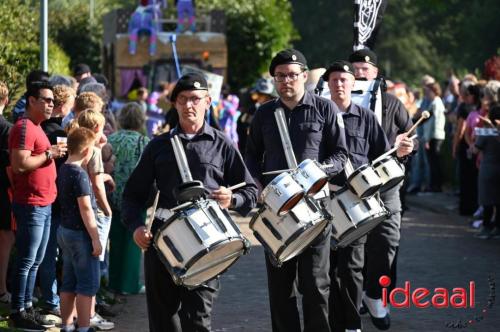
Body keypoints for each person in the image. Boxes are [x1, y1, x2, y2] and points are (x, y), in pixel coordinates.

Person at [122, 73, 258, 332]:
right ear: (174, 104)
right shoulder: (158, 146)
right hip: (162, 240)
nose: (189, 105)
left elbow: (250, 191)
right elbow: (132, 196)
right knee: (164, 321)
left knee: (198, 319)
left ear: (208, 102)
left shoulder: (222, 144)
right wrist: (136, 227)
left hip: (208, 240)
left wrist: (233, 198)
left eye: (195, 99)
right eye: (182, 99)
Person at [245, 49, 348, 332]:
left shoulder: (325, 109)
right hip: (277, 211)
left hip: (315, 207)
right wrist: (257, 189)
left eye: (292, 75)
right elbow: (251, 156)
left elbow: (341, 155)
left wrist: (318, 172)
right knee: (280, 289)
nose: (286, 80)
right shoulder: (264, 113)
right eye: (280, 76)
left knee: (316, 285)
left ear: (304, 76)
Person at [348, 49, 414, 330]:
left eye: (365, 68)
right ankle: (354, 301)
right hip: (350, 188)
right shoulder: (336, 103)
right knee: (352, 248)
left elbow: (410, 138)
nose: (360, 72)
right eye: (355, 68)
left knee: (387, 242)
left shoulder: (392, 103)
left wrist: (406, 147)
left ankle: (375, 294)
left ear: (375, 72)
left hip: (386, 186)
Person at [323, 61, 390, 332]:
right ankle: (333, 323)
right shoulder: (318, 117)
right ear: (327, 84)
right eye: (335, 79)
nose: (339, 84)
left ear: (353, 84)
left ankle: (352, 325)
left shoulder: (366, 118)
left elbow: (381, 157)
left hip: (355, 204)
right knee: (325, 270)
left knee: (351, 269)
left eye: (344, 79)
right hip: (324, 202)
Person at [8, 80, 67, 331]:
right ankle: (18, 312)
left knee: (35, 260)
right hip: (31, 204)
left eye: (53, 101)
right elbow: (20, 164)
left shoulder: (37, 127)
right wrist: (49, 154)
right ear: (31, 101)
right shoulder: (23, 127)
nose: (51, 104)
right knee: (26, 260)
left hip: (43, 203)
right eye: (46, 99)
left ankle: (28, 308)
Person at [57, 127, 100, 332]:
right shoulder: (79, 174)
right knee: (87, 284)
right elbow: (86, 208)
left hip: (64, 231)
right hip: (81, 235)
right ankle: (83, 328)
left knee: (68, 281)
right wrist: (96, 238)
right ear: (85, 151)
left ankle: (66, 326)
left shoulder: (63, 169)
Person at [38, 84, 76, 317]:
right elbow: (63, 167)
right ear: (65, 105)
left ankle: (48, 296)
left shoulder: (40, 126)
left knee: (45, 251)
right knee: (51, 251)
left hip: (45, 196)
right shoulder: (59, 133)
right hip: (55, 197)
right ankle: (51, 299)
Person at [108, 103, 150, 294]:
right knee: (133, 244)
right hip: (136, 198)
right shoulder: (144, 142)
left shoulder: (111, 139)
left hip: (111, 196)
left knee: (114, 242)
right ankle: (129, 284)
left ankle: (114, 282)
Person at [474, 105, 500, 239]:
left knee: (486, 199)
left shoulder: (486, 132)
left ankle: (486, 226)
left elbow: (475, 150)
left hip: (488, 168)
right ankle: (498, 227)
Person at [0, 81, 15, 307]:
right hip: (4, 191)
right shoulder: (7, 129)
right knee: (5, 239)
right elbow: (12, 168)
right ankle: (2, 290)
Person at [422, 82, 446, 192]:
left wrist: (428, 138)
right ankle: (435, 185)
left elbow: (434, 123)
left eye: (428, 91)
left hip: (434, 136)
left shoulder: (435, 103)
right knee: (434, 162)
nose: (426, 94)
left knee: (434, 162)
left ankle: (435, 186)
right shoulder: (436, 102)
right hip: (437, 135)